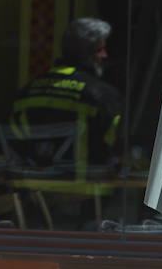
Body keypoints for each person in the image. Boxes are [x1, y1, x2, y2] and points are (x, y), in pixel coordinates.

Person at [9, 17, 122, 175]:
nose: (105, 55)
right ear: (84, 53)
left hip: (33, 192)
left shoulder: (27, 91)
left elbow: (13, 144)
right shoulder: (102, 95)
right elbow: (116, 147)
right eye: (99, 49)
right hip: (85, 191)